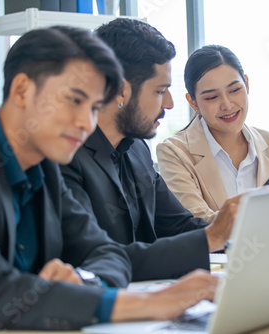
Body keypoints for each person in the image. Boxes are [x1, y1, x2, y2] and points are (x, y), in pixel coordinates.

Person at [0, 26, 218, 334]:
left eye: (93, 107)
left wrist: (86, 281)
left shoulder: (44, 166)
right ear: (22, 90)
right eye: (74, 100)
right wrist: (149, 303)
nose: (85, 122)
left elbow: (108, 253)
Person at [60, 19, 239, 281]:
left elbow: (179, 226)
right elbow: (96, 258)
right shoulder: (64, 157)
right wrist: (211, 238)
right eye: (160, 91)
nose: (169, 103)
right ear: (120, 90)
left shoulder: (136, 150)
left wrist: (239, 235)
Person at [157, 45, 269, 223]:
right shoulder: (174, 152)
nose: (227, 105)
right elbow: (196, 223)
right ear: (193, 102)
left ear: (247, 85)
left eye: (234, 90)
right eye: (212, 97)